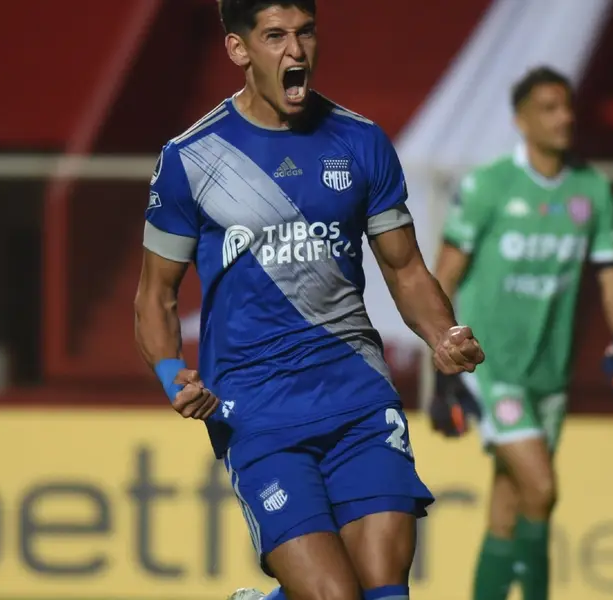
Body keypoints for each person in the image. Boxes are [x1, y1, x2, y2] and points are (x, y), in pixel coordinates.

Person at [132, 2, 485, 599]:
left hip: (358, 397)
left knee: (385, 591)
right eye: (275, 36)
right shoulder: (192, 158)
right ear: (239, 49)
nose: (295, 51)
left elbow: (405, 269)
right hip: (256, 411)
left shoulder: (361, 141)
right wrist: (172, 375)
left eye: (305, 33)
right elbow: (155, 296)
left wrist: (443, 334)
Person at [428, 66, 613, 600]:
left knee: (511, 503)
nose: (564, 117)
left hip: (549, 370)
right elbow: (444, 275)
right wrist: (446, 365)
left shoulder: (592, 189)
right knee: (542, 489)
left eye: (567, 106)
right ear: (521, 120)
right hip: (491, 366)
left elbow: (611, 272)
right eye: (549, 108)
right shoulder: (489, 185)